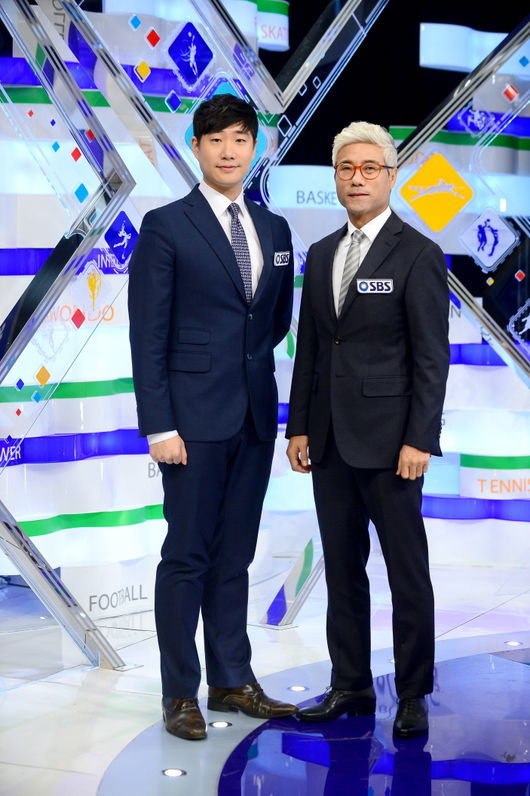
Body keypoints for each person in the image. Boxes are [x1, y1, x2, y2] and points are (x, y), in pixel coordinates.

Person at [128, 94, 296, 740]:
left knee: (235, 556)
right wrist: (159, 425)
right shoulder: (166, 225)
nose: (229, 151)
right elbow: (148, 334)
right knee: (187, 558)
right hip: (190, 424)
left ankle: (231, 679)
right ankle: (180, 693)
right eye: (216, 139)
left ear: (255, 148)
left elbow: (272, 323)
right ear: (196, 147)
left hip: (253, 417)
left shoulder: (274, 229)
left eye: (240, 139)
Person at [286, 121, 449, 739]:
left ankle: (412, 692)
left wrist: (420, 439)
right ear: (335, 177)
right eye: (346, 168)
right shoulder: (322, 252)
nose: (357, 178)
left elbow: (431, 358)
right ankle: (350, 684)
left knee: (407, 574)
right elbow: (311, 348)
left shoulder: (418, 254)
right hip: (328, 443)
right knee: (342, 570)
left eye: (369, 168)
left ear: (391, 175)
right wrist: (299, 425)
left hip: (392, 446)